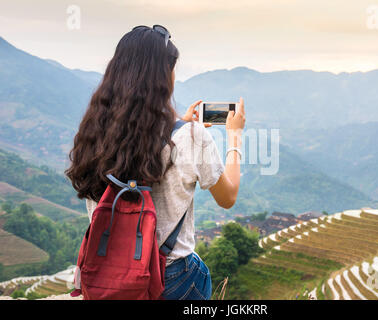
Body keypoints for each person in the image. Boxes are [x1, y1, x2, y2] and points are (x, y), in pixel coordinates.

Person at [65, 25, 246, 300]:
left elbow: (138, 141)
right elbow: (228, 197)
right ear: (164, 79)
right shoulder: (191, 138)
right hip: (171, 278)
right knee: (199, 272)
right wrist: (235, 138)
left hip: (106, 274)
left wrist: (178, 126)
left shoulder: (93, 133)